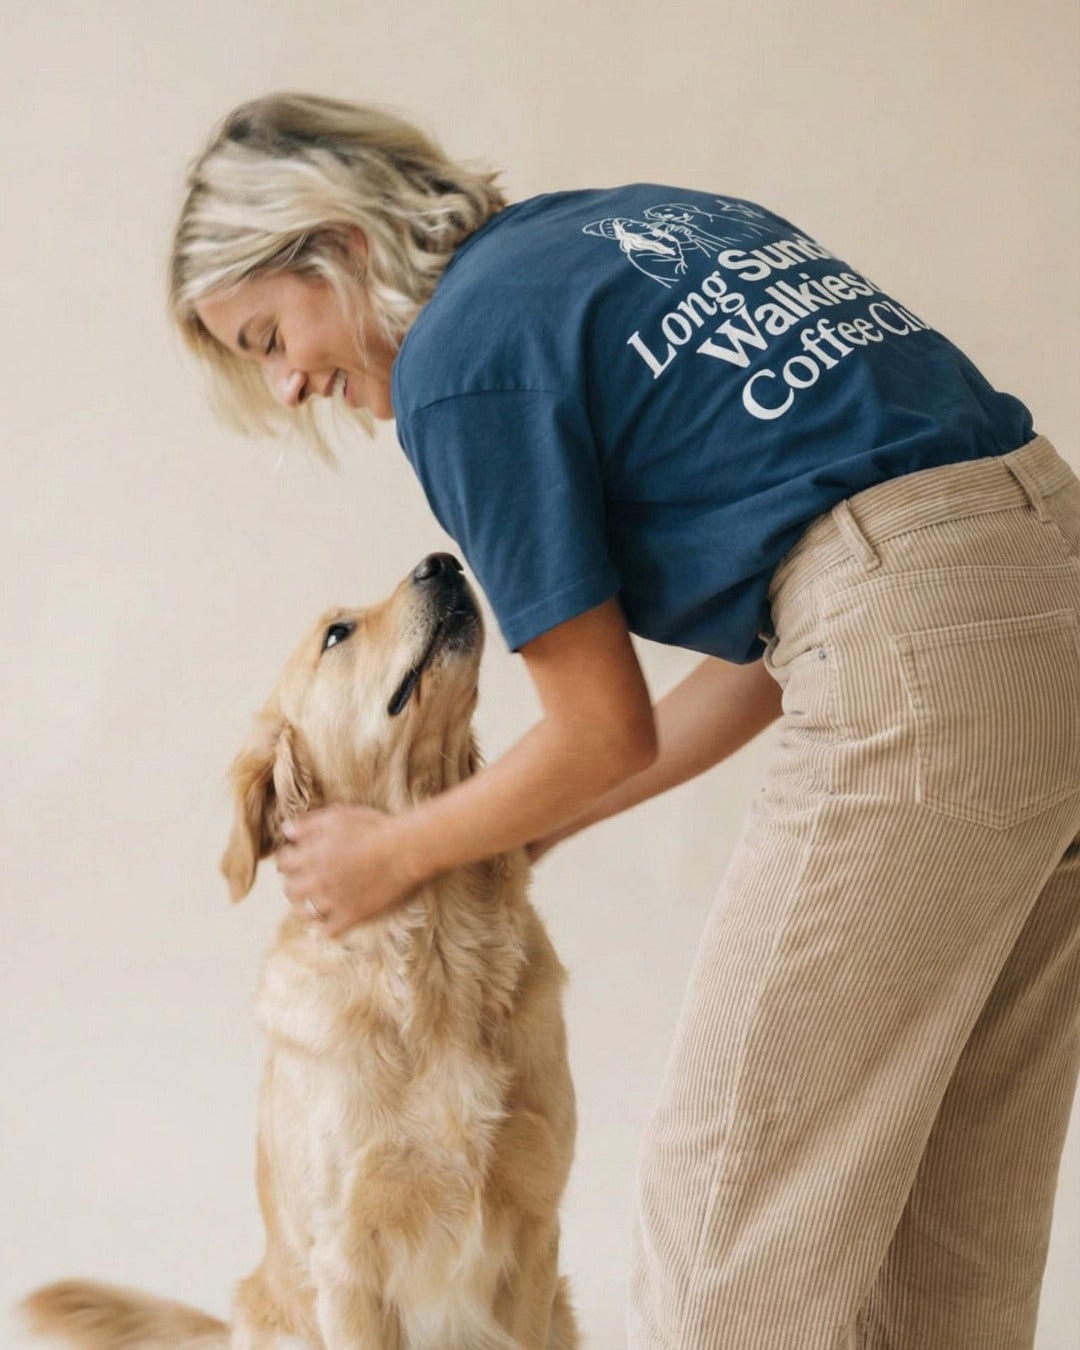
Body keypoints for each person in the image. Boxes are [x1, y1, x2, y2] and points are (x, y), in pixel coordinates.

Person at [169, 93, 1080, 1350]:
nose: (290, 384)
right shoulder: (632, 228)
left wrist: (400, 850)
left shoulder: (458, 365)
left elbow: (609, 726)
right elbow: (804, 639)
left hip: (923, 645)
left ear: (335, 243)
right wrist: (508, 832)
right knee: (951, 1235)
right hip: (1046, 598)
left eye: (271, 333)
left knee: (726, 1224)